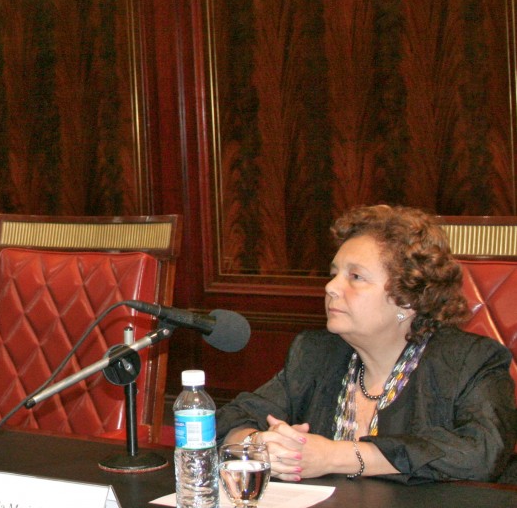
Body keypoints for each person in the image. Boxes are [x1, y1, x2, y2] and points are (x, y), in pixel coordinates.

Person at [217, 204, 517, 484]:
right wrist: (259, 444)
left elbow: (482, 453)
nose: (331, 287)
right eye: (334, 274)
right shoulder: (315, 353)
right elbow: (228, 419)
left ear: (408, 298)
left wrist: (336, 456)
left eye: (356, 277)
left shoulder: (471, 360)